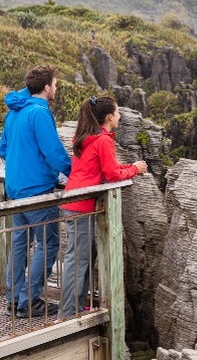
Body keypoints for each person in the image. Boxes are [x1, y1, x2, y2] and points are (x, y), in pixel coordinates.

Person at [59, 96, 147, 319]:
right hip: (81, 204)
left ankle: (77, 305)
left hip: (75, 201)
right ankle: (69, 312)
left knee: (85, 256)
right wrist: (135, 170)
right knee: (78, 259)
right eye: (117, 113)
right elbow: (112, 174)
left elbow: (108, 168)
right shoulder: (103, 140)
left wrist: (131, 166)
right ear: (109, 117)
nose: (120, 116)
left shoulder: (88, 136)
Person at [0, 66, 71, 317]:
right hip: (38, 191)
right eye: (56, 84)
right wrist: (72, 172)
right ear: (47, 86)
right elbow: (53, 152)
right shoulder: (39, 112)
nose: (56, 89)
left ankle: (13, 299)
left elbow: (3, 148)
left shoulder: (15, 111)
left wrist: (23, 164)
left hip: (16, 189)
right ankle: (29, 301)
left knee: (20, 244)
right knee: (49, 243)